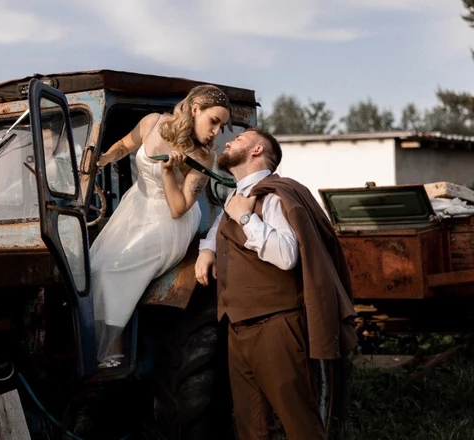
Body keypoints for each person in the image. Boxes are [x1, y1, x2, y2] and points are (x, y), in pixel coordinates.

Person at [194, 127, 357, 440]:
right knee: (251, 427)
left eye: (239, 139)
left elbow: (286, 255)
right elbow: (220, 223)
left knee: (299, 423)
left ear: (257, 150)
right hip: (238, 327)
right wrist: (207, 249)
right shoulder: (236, 196)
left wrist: (246, 219)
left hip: (276, 326)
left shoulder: (275, 195)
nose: (228, 141)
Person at [92, 85, 231, 368]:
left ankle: (113, 355)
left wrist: (169, 172)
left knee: (112, 269)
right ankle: (90, 346)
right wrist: (105, 158)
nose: (217, 131)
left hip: (169, 223)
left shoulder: (203, 156)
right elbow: (123, 146)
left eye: (222, 126)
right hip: (135, 208)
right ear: (195, 110)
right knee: (93, 266)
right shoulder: (152, 123)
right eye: (214, 121)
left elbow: (179, 208)